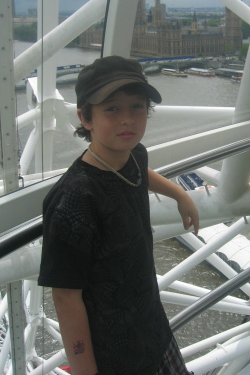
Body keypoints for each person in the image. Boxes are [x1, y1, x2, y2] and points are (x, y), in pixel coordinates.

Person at [38, 55, 199, 375]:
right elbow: (66, 298)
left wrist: (179, 194)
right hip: (116, 356)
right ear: (86, 117)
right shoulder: (74, 201)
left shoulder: (132, 153)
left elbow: (139, 170)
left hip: (153, 326)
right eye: (112, 108)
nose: (128, 119)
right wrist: (86, 371)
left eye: (137, 107)